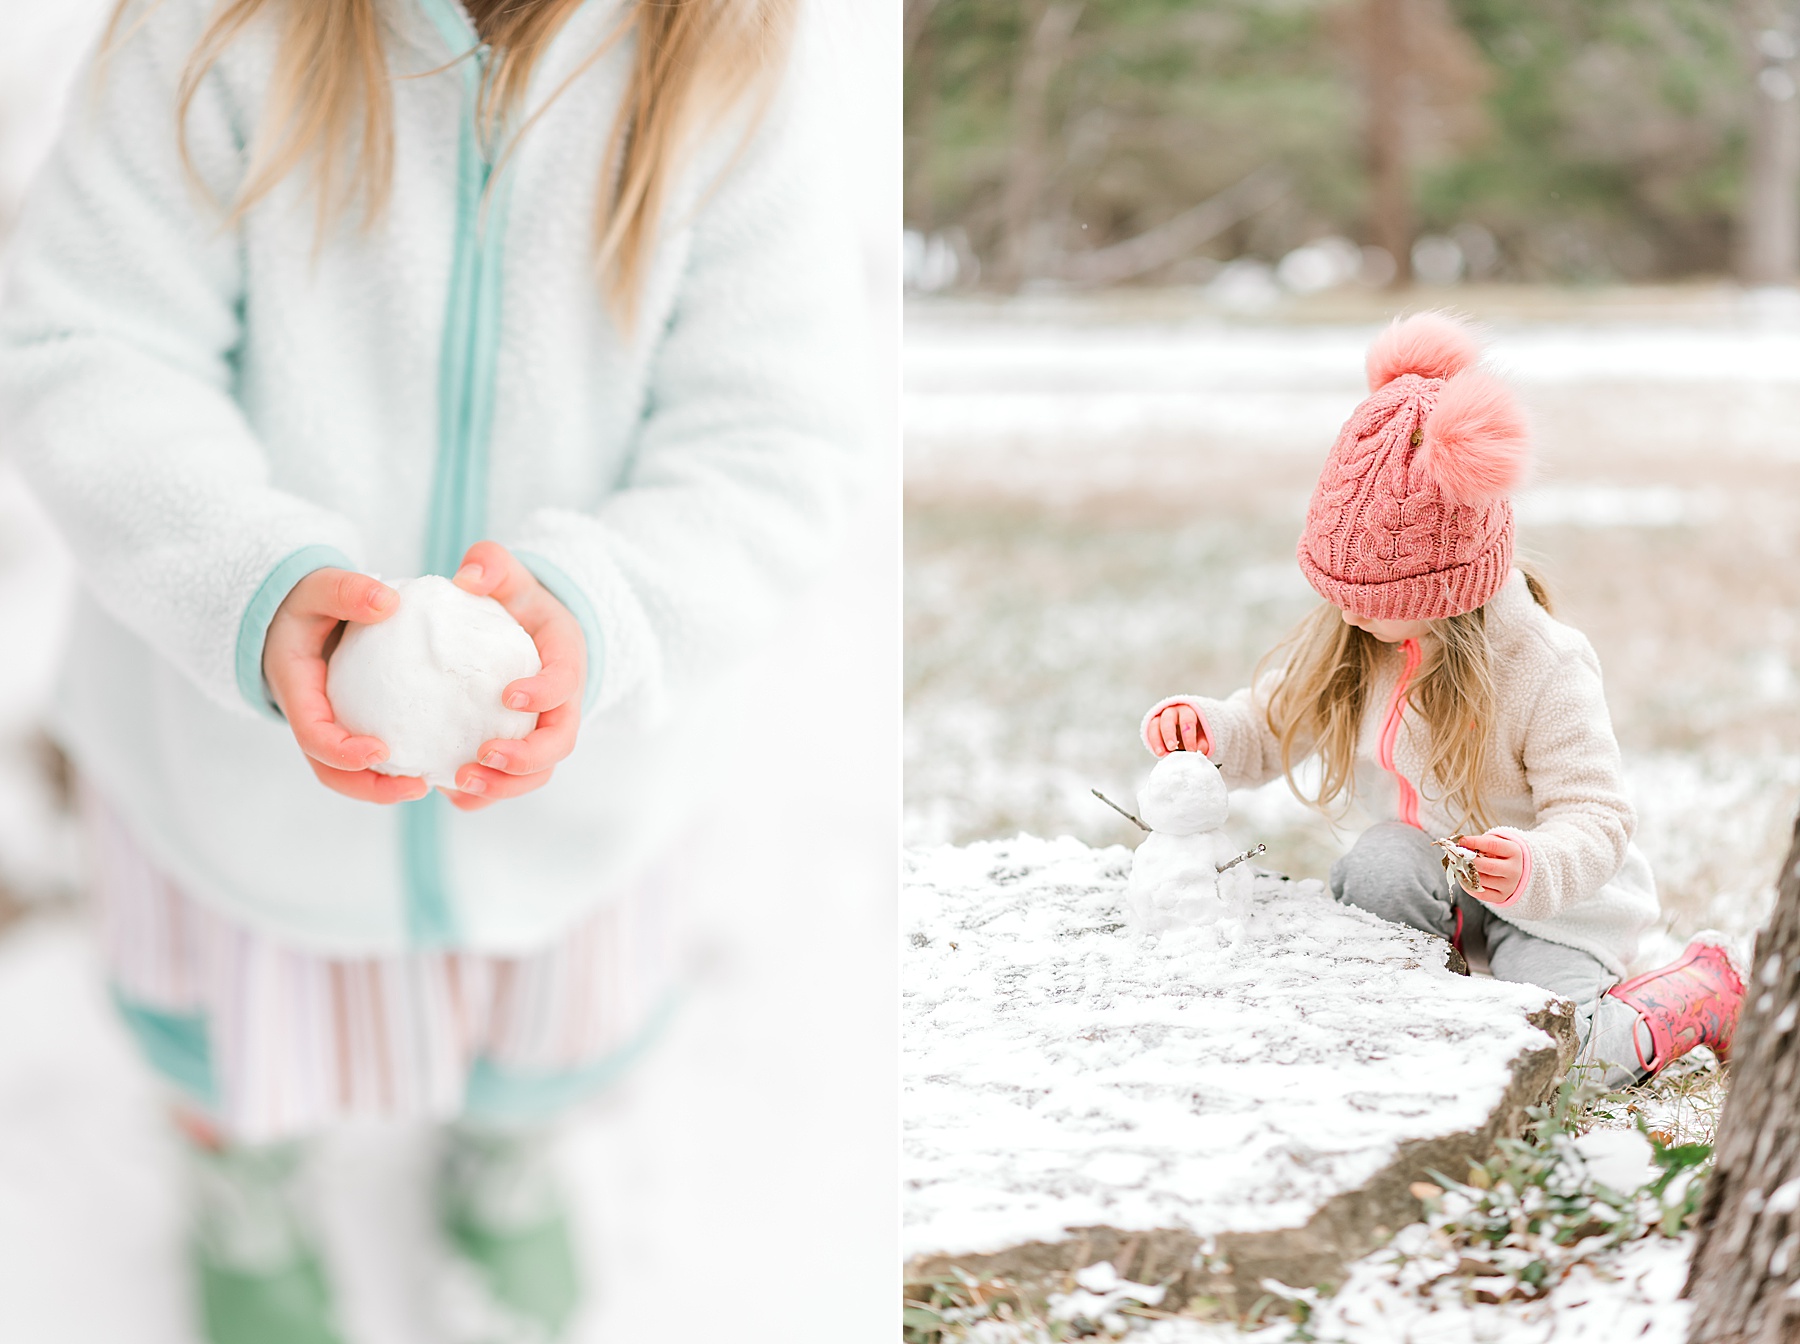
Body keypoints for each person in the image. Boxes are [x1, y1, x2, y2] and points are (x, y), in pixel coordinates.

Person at [0, 0, 861, 1339]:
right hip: (230, 769)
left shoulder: (728, 57)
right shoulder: (208, 30)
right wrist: (248, 576)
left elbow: (773, 434)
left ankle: (504, 1153)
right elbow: (93, 351)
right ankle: (244, 1176)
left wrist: (608, 606)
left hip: (571, 780)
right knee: (227, 1041)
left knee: (544, 1027)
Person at [1141, 312, 1742, 1094]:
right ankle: (1429, 995)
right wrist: (1211, 729)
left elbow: (1596, 818)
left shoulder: (1545, 665)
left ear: (1443, 590)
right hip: (1432, 883)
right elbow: (1268, 723)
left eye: (1366, 593)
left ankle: (1700, 988)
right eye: (1333, 585)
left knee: (1552, 1061)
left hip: (1556, 905)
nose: (1343, 607)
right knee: (1379, 865)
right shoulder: (1352, 635)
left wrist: (1531, 864)